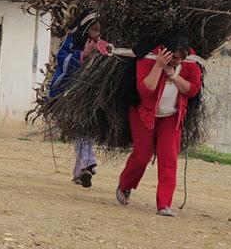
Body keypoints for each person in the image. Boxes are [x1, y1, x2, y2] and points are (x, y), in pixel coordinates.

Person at [116, 33, 202, 216]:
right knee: (142, 155)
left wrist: (174, 77)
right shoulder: (149, 56)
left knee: (169, 158)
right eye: (174, 57)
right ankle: (125, 185)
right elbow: (146, 89)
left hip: (171, 115)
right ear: (166, 52)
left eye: (181, 58)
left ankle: (164, 204)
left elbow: (193, 89)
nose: (177, 61)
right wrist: (159, 66)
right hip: (144, 112)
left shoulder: (190, 62)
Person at [49, 11, 108, 188]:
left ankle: (81, 170)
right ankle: (88, 164)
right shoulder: (73, 41)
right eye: (93, 30)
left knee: (86, 131)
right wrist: (83, 55)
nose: (96, 34)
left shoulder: (104, 44)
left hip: (94, 94)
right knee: (82, 129)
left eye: (99, 30)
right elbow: (62, 60)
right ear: (86, 29)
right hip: (73, 91)